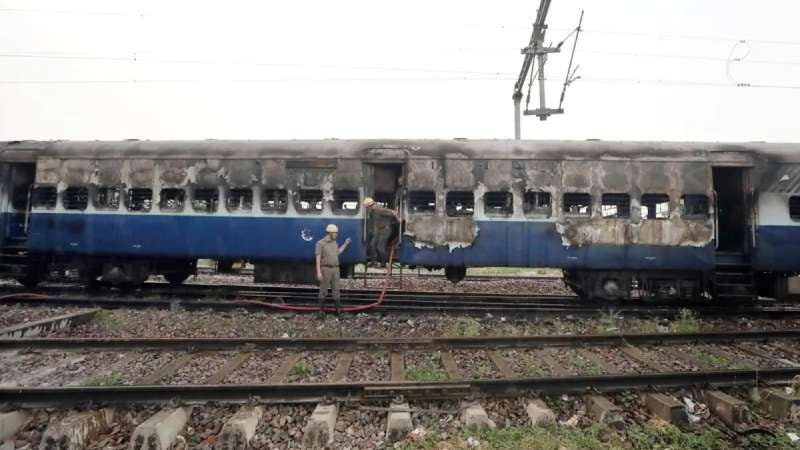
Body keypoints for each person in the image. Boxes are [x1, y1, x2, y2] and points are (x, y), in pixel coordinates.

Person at [315, 224, 351, 317]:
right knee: (323, 290)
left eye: (336, 233)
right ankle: (321, 312)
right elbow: (318, 258)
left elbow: (338, 253)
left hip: (335, 269)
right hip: (325, 269)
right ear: (330, 233)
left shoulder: (334, 243)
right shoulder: (320, 243)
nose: (336, 235)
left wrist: (345, 244)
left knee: (336, 290)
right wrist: (318, 272)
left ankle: (338, 312)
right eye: (335, 233)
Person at [363, 197, 400, 268]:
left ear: (370, 206)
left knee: (380, 247)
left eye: (367, 207)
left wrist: (398, 219)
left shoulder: (379, 209)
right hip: (378, 230)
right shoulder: (372, 211)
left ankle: (383, 263)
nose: (367, 209)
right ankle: (374, 262)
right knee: (372, 245)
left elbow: (393, 212)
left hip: (385, 230)